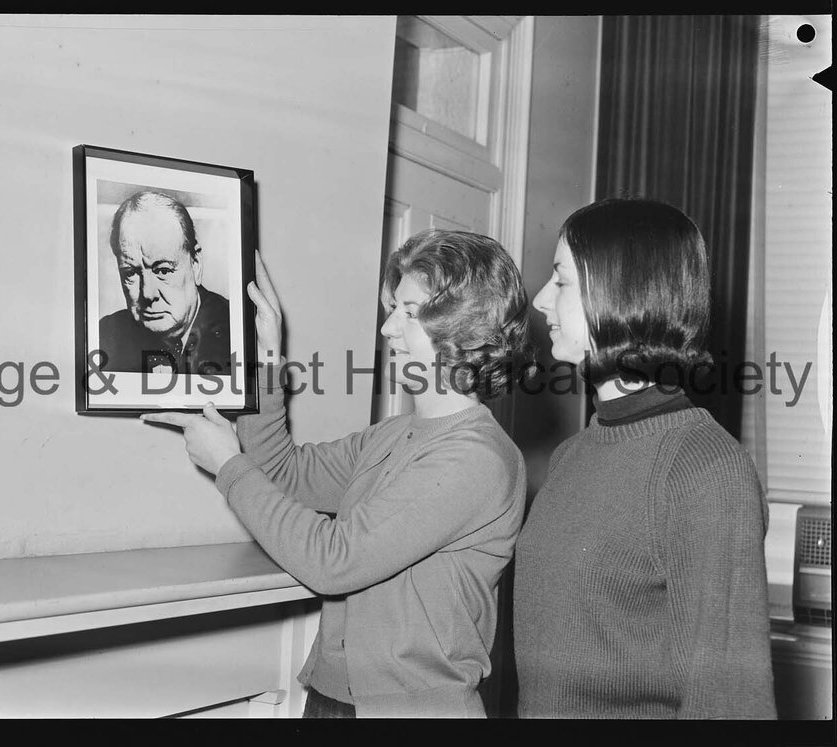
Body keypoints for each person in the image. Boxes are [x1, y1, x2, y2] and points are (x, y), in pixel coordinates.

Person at [143, 230, 531, 717]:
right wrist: (266, 357)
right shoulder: (393, 435)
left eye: (408, 313)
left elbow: (335, 561)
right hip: (333, 699)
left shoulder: (479, 458)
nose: (388, 329)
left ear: (467, 331)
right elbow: (286, 474)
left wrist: (227, 465)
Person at [513, 198, 776, 719]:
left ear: (622, 293)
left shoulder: (705, 469)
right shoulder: (571, 456)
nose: (541, 299)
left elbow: (729, 703)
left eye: (561, 280)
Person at [99, 191, 230, 374]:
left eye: (163, 271)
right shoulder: (104, 337)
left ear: (196, 264)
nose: (147, 293)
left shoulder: (236, 333)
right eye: (131, 273)